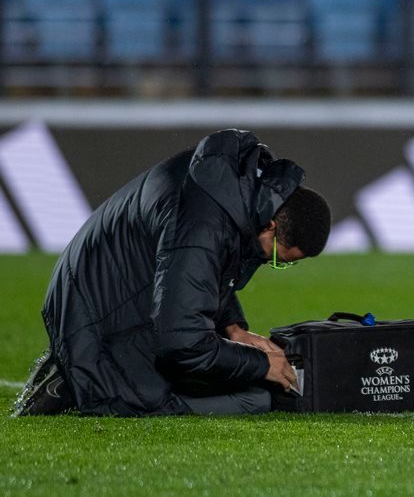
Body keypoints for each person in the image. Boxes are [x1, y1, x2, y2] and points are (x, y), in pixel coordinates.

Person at [12, 129, 332, 417]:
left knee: (224, 364)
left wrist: (234, 328)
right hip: (97, 315)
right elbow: (182, 343)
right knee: (254, 398)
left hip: (94, 291)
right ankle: (77, 379)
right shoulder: (204, 225)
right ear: (270, 226)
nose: (269, 263)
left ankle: (79, 368)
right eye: (277, 259)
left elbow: (202, 271)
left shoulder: (230, 189)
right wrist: (260, 365)